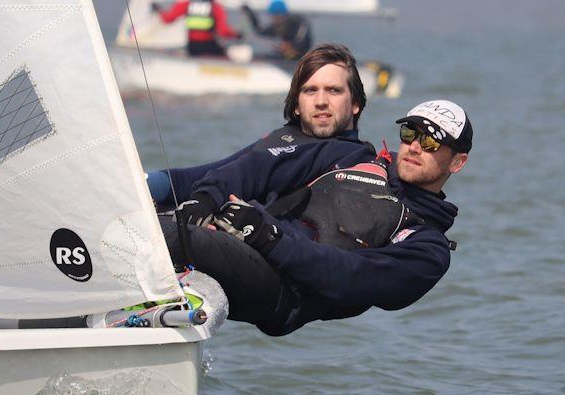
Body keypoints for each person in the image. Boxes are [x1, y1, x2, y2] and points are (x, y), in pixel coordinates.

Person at [163, 99, 473, 336]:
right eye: (409, 133)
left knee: (174, 235)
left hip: (281, 292)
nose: (415, 147)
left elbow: (352, 276)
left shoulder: (427, 247)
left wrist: (269, 239)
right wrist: (204, 200)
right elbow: (256, 168)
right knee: (155, 219)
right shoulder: (351, 157)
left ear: (457, 162)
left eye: (431, 141)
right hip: (245, 240)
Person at [148, 42, 367, 207]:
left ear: (355, 103)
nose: (321, 102)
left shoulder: (353, 157)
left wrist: (208, 198)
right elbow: (211, 172)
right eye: (310, 90)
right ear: (297, 105)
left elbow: (253, 171)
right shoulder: (284, 137)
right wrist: (150, 183)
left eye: (334, 90)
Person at [152, 0, 241, 57]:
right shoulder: (216, 7)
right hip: (208, 46)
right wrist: (236, 34)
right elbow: (223, 31)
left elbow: (168, 19)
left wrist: (158, 10)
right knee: (225, 58)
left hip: (193, 47)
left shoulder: (187, 4)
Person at [241, 0, 312, 61]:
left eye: (274, 16)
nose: (272, 19)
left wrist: (289, 47)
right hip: (288, 57)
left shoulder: (298, 22)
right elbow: (261, 30)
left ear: (280, 14)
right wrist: (250, 14)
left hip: (300, 59)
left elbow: (302, 43)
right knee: (260, 57)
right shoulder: (279, 25)